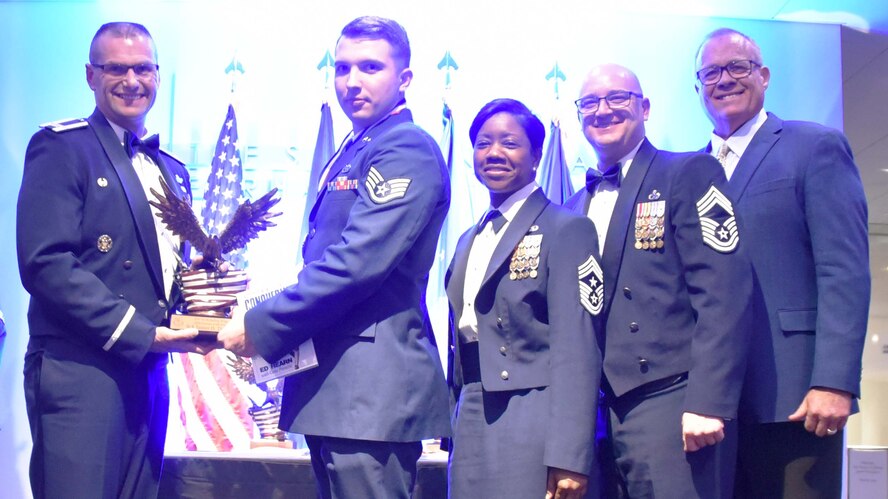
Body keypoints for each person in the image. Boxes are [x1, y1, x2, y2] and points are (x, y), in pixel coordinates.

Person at [219, 16, 451, 499]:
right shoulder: (356, 148)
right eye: (343, 68)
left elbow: (355, 264)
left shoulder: (405, 148)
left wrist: (260, 326)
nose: (352, 81)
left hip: (371, 394)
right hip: (339, 387)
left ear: (404, 79)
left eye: (370, 67)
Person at [16, 22, 210, 499]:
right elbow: (45, 263)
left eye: (142, 68)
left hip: (149, 372)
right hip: (80, 372)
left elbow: (170, 274)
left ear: (158, 75)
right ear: (90, 75)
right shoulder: (61, 148)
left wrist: (211, 306)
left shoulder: (172, 170)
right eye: (115, 68)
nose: (131, 80)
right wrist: (142, 334)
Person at [694, 28, 870, 498]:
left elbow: (844, 271)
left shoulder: (814, 147)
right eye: (711, 72)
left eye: (738, 66)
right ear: (698, 88)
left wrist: (834, 381)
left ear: (764, 76)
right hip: (709, 408)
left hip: (795, 398)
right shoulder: (689, 172)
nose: (724, 79)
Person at [563, 64, 753, 498]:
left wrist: (709, 402)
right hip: (596, 415)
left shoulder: (689, 173)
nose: (603, 110)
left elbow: (724, 291)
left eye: (618, 98)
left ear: (644, 108)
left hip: (674, 401)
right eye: (590, 103)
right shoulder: (572, 207)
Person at [445, 99, 602, 499]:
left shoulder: (566, 229)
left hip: (533, 415)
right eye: (483, 143)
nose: (494, 153)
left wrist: (570, 453)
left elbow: (579, 348)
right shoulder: (468, 238)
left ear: (536, 155)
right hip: (472, 410)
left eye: (509, 143)